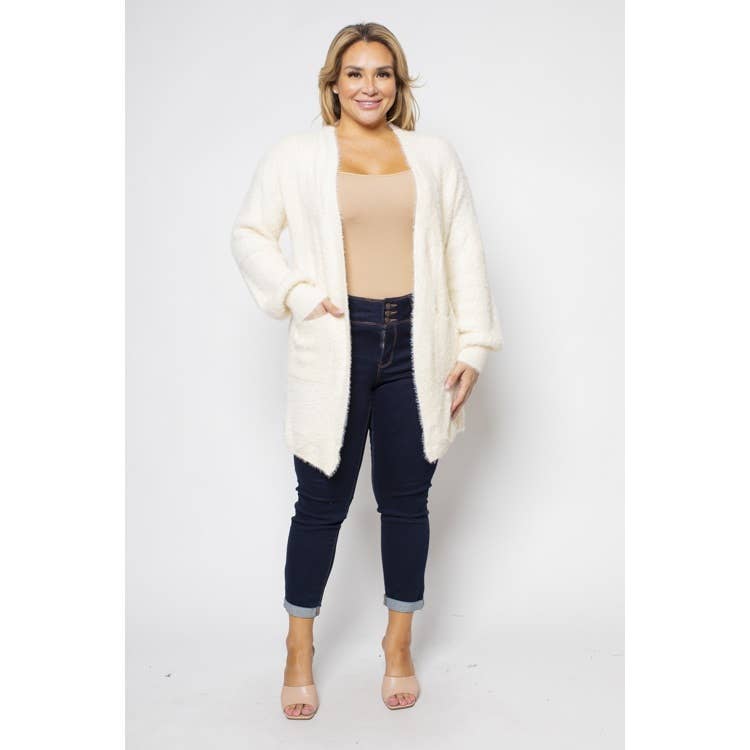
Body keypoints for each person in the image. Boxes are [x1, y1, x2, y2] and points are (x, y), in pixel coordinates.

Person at [230, 22, 503, 720]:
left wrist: (473, 346)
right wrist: (296, 293)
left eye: (382, 73)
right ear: (333, 83)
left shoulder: (433, 156)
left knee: (407, 503)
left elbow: (462, 248)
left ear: (398, 83)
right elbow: (250, 234)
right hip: (335, 339)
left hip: (419, 339)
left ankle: (398, 643)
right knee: (320, 504)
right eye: (354, 73)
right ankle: (298, 648)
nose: (368, 86)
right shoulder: (297, 156)